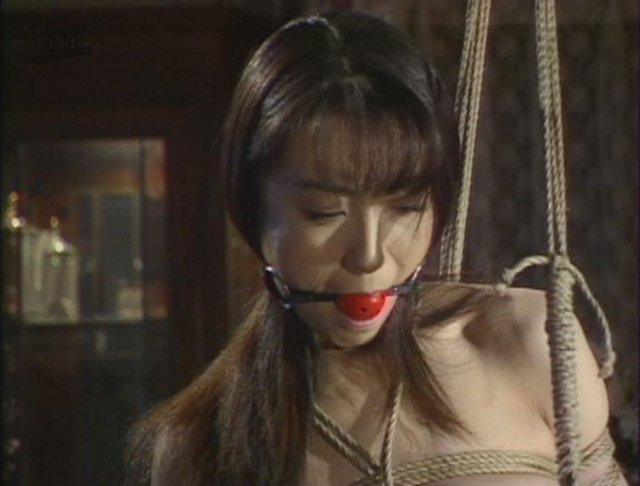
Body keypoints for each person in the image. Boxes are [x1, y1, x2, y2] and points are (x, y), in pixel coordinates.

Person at [125, 10, 626, 486]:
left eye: (405, 207)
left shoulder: (528, 342)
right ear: (251, 208)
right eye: (324, 212)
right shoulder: (201, 444)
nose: (369, 255)